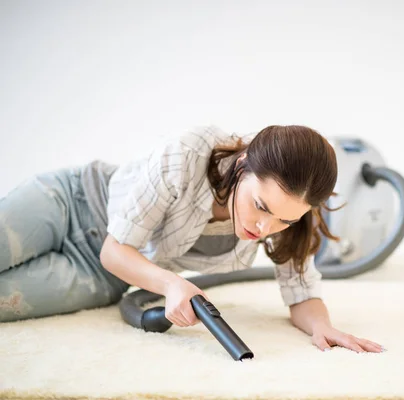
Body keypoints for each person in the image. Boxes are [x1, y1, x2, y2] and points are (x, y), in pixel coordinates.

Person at [0, 125, 384, 354]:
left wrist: (321, 325)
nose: (266, 227)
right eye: (261, 206)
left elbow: (301, 293)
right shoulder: (189, 153)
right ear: (241, 166)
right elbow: (115, 247)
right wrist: (172, 284)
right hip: (71, 202)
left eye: (284, 219)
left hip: (101, 274)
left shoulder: (293, 217)